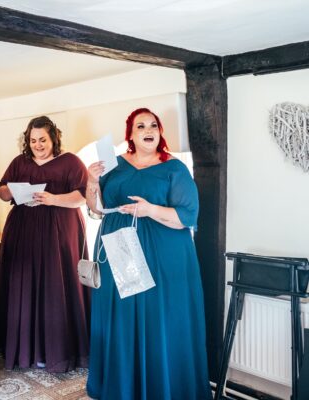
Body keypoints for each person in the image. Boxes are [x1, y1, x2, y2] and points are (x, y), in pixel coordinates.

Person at [85, 108, 211, 399]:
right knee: (123, 316)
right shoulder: (114, 165)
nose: (147, 130)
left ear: (160, 131)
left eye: (153, 125)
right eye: (140, 126)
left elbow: (187, 216)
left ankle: (161, 386)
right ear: (130, 134)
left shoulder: (174, 168)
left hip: (163, 256)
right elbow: (95, 208)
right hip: (118, 249)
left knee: (159, 318)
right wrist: (91, 180)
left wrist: (149, 209)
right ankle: (122, 385)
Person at [0, 115, 90, 372]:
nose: (38, 145)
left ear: (53, 138)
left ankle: (58, 351)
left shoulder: (71, 162)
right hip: (23, 232)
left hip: (59, 232)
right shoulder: (19, 162)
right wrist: (11, 191)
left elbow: (82, 196)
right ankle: (26, 349)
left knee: (55, 285)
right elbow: (1, 190)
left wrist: (53, 199)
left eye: (42, 139)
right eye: (33, 140)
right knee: (24, 284)